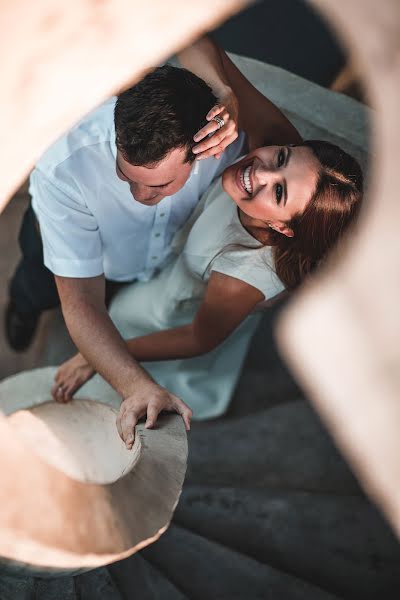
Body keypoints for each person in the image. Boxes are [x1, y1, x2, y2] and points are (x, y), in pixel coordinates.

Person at [6, 37, 302, 447]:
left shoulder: (233, 143)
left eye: (159, 185)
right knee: (34, 289)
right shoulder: (63, 169)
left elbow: (197, 37)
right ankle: (20, 309)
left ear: (203, 148)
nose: (141, 197)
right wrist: (135, 385)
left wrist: (225, 90)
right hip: (55, 245)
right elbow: (81, 303)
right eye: (126, 176)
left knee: (115, 302)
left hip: (144, 265)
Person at [54, 136, 363, 443]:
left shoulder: (243, 275)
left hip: (175, 315)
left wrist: (101, 354)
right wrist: (228, 102)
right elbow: (236, 87)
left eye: (279, 192)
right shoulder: (265, 161)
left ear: (283, 227)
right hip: (169, 278)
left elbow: (199, 338)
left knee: (148, 354)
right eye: (282, 157)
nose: (261, 173)